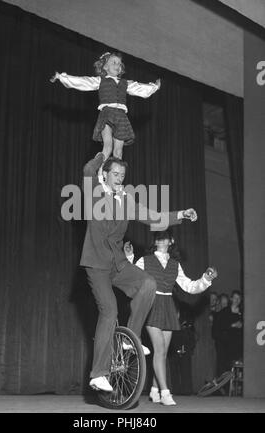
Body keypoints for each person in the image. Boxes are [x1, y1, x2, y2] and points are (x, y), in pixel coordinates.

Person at [80, 151, 199, 392]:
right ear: (105, 175)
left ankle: (129, 339)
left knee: (148, 284)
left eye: (122, 175)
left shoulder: (125, 201)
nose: (119, 178)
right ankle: (98, 374)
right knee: (109, 310)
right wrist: (101, 155)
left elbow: (154, 218)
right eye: (114, 174)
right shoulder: (94, 192)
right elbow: (87, 171)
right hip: (97, 265)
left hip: (119, 264)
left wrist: (180, 215)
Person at [124, 230, 217, 405]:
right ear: (155, 240)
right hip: (150, 305)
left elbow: (189, 286)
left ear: (171, 241)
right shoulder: (145, 260)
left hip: (168, 307)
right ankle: (166, 393)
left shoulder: (175, 264)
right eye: (158, 236)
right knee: (159, 349)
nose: (161, 239)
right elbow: (131, 277)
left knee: (163, 352)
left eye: (164, 236)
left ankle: (154, 389)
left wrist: (205, 279)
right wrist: (129, 257)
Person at [50, 52, 160, 164]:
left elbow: (139, 87)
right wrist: (61, 77)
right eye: (114, 62)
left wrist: (154, 87)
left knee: (118, 151)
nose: (118, 65)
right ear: (105, 67)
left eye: (119, 63)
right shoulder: (100, 80)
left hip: (121, 116)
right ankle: (100, 174)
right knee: (108, 147)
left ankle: (114, 176)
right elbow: (82, 81)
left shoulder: (125, 83)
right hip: (107, 113)